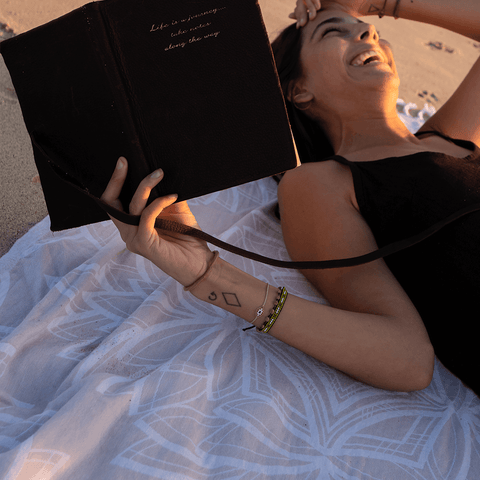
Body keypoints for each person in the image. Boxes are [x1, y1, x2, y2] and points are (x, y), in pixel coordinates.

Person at [100, 0, 480, 394]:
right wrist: (206, 274)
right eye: (334, 31)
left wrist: (376, 3)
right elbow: (406, 359)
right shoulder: (322, 184)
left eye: (371, 30)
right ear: (298, 90)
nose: (369, 34)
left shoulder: (448, 139)